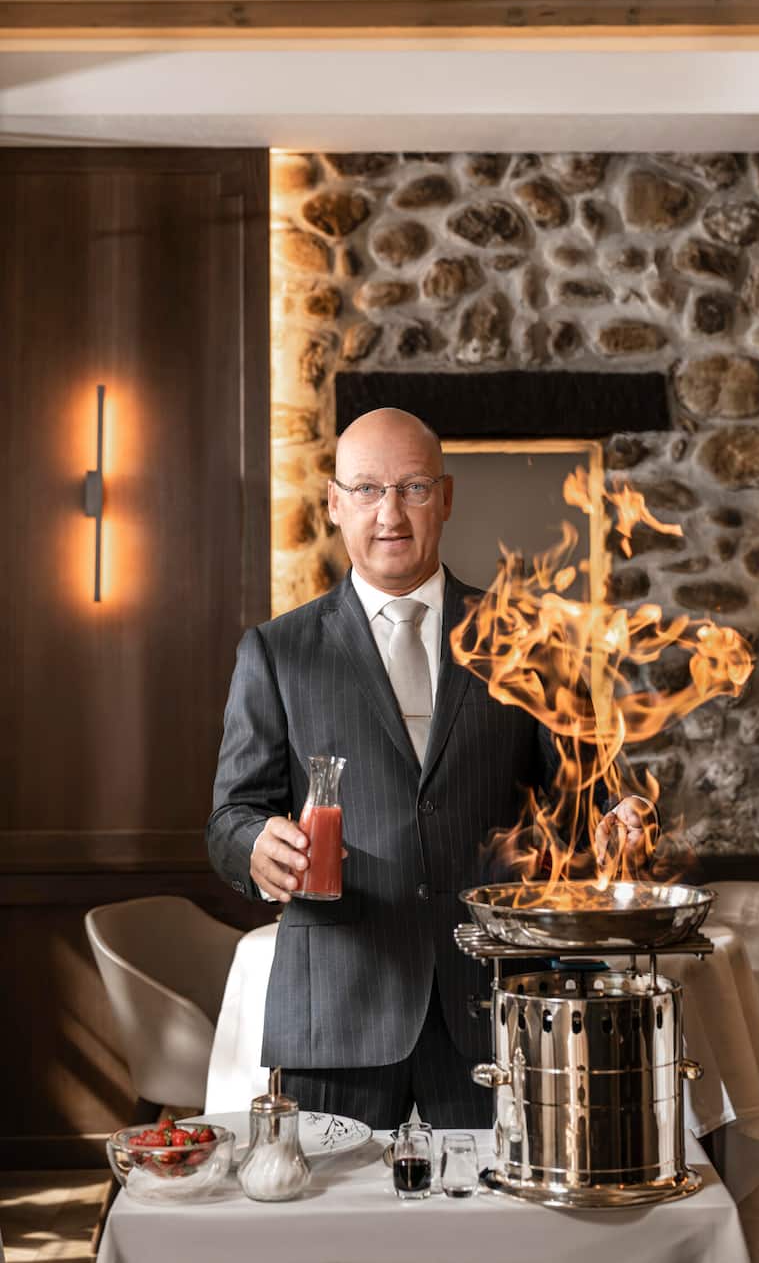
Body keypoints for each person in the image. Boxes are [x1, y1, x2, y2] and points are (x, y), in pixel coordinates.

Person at [208, 407, 648, 1129]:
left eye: (412, 488)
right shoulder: (277, 652)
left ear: (445, 498)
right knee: (335, 1239)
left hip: (501, 1009)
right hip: (337, 1011)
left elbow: (590, 794)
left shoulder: (528, 641)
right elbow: (231, 817)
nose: (390, 513)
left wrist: (617, 822)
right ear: (334, 503)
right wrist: (253, 847)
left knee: (498, 1237)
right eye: (369, 489)